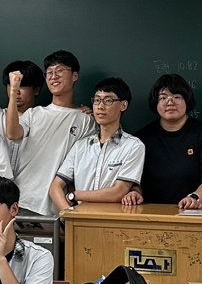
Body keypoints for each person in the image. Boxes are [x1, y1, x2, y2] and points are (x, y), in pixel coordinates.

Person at [8, 50, 96, 215]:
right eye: (49, 72)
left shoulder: (86, 119)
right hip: (23, 199)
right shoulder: (34, 114)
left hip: (58, 205)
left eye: (60, 70)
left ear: (74, 76)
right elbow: (12, 134)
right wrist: (13, 93)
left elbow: (84, 163)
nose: (54, 76)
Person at [126, 74, 202, 208]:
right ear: (155, 103)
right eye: (163, 98)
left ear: (187, 100)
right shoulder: (141, 139)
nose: (170, 102)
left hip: (192, 211)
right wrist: (134, 192)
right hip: (149, 210)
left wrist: (194, 198)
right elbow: (136, 182)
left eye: (177, 97)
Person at [51, 77, 142, 211]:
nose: (100, 106)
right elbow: (55, 187)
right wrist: (70, 215)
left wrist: (75, 195)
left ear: (123, 105)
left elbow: (118, 192)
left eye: (108, 101)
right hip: (81, 218)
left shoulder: (133, 146)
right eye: (97, 100)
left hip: (113, 218)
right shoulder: (80, 146)